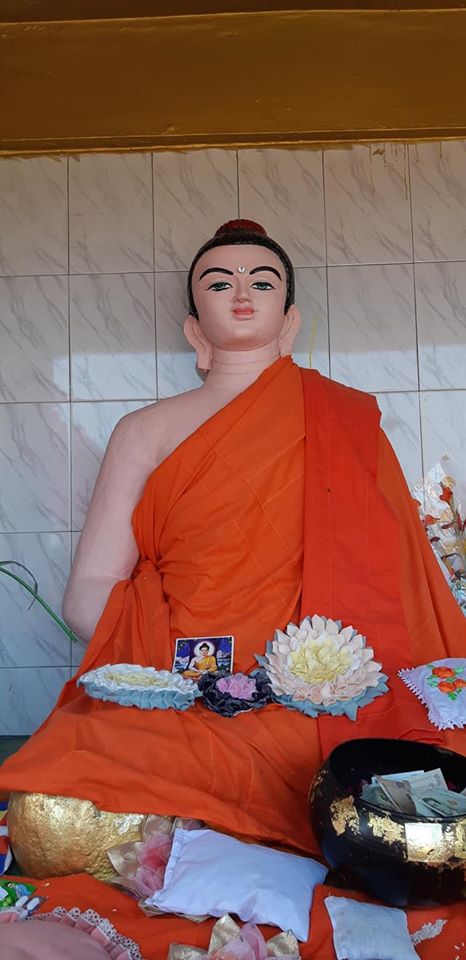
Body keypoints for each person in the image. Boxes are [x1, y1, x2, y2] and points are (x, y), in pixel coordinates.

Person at [0, 219, 465, 960]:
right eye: (220, 283)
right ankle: (269, 857)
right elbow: (88, 591)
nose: (241, 294)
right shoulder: (146, 431)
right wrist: (178, 663)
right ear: (195, 326)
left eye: (261, 282)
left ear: (290, 320)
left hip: (312, 701)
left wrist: (314, 675)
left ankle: (208, 854)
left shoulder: (345, 422)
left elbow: (395, 591)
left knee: (387, 773)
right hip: (175, 688)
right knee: (49, 813)